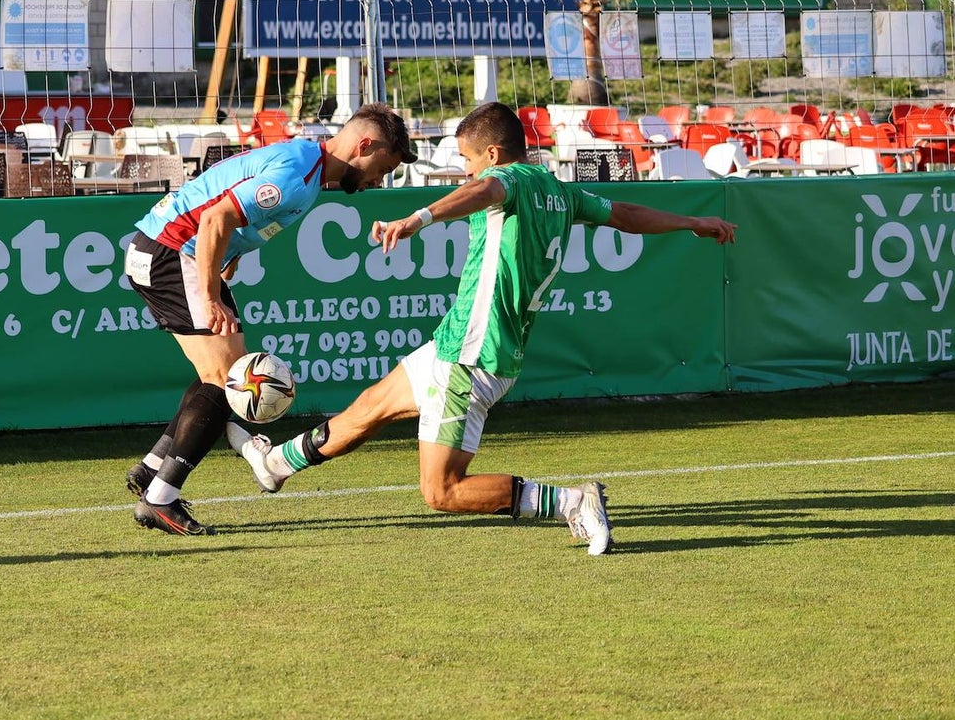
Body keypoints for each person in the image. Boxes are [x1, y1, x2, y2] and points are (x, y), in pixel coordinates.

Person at [227, 101, 737, 555]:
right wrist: (693, 222)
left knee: (441, 490)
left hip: (471, 355)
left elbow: (486, 189)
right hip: (466, 343)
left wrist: (416, 219)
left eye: (467, 161)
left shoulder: (506, 181)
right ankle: (277, 466)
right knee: (371, 406)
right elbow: (624, 212)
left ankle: (572, 503)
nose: (466, 173)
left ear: (492, 154)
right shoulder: (559, 190)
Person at [124, 103, 417, 536]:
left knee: (220, 374)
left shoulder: (309, 168)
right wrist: (208, 295)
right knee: (231, 380)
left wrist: (230, 256)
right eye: (383, 167)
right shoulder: (298, 176)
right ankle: (160, 498)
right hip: (175, 250)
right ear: (365, 144)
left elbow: (230, 212)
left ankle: (154, 470)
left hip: (170, 249)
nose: (380, 179)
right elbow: (214, 217)